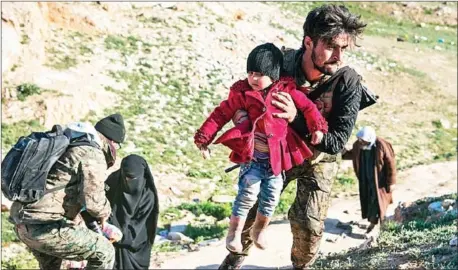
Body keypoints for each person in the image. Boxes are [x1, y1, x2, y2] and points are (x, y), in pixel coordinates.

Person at [219, 4, 367, 269]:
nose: (339, 56)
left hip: (318, 160)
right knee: (250, 212)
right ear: (308, 42)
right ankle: (232, 263)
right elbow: (243, 91)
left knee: (308, 224)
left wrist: (295, 120)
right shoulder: (281, 63)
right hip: (275, 154)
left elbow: (335, 143)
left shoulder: (348, 82)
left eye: (343, 49)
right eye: (332, 46)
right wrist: (240, 115)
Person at [195, 43, 328, 253]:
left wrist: (317, 127)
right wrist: (204, 138)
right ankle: (234, 233)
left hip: (275, 161)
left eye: (260, 74)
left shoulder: (287, 91)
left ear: (274, 74)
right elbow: (220, 114)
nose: (254, 78)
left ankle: (259, 230)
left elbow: (308, 107)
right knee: (247, 194)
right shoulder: (243, 94)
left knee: (271, 197)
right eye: (251, 72)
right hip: (253, 158)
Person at [9, 113, 126, 270]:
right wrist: (105, 216)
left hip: (22, 222)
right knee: (105, 252)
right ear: (111, 141)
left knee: (51, 265)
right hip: (45, 227)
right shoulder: (91, 152)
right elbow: (93, 200)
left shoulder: (69, 142)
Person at [105, 154, 160, 270]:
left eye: (132, 178)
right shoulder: (113, 181)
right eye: (126, 177)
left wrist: (120, 236)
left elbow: (140, 227)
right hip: (109, 238)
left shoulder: (147, 196)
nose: (127, 181)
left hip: (135, 245)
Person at [342, 126, 396, 234]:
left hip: (379, 181)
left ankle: (377, 224)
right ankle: (374, 222)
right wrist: (342, 152)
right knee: (369, 200)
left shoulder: (382, 145)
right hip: (365, 180)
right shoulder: (358, 145)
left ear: (370, 139)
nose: (361, 142)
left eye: (363, 141)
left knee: (378, 201)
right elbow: (352, 154)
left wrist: (391, 182)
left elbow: (391, 164)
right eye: (360, 140)